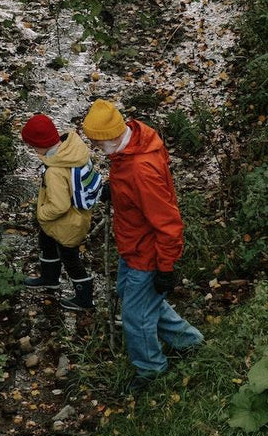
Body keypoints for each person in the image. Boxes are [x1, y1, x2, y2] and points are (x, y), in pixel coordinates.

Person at [81, 99, 203, 393]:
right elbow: (135, 191)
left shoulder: (140, 170)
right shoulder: (135, 140)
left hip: (146, 254)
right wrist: (117, 191)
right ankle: (189, 342)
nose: (96, 149)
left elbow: (168, 223)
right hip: (132, 243)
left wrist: (165, 267)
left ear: (111, 137)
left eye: (97, 143)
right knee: (137, 299)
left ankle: (151, 370)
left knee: (136, 317)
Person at [19, 113, 96, 311]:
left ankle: (84, 298)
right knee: (46, 243)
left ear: (39, 144)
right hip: (71, 218)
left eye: (32, 146)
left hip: (67, 224)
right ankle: (49, 279)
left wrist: (42, 214)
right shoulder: (71, 150)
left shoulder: (55, 171)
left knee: (70, 258)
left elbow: (60, 206)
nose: (32, 149)